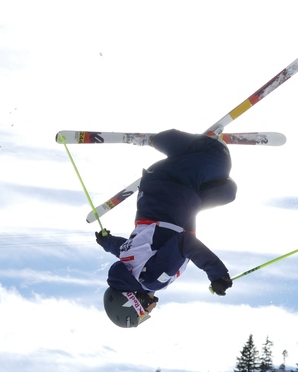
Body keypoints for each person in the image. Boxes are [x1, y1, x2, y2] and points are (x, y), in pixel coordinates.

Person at [96, 129, 237, 328]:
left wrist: (217, 274)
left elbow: (184, 243)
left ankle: (173, 142)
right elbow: (120, 247)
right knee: (228, 192)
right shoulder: (131, 268)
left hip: (173, 186)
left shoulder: (152, 280)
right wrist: (105, 241)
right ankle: (187, 152)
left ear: (135, 301)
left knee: (219, 157)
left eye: (144, 313)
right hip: (162, 189)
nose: (151, 310)